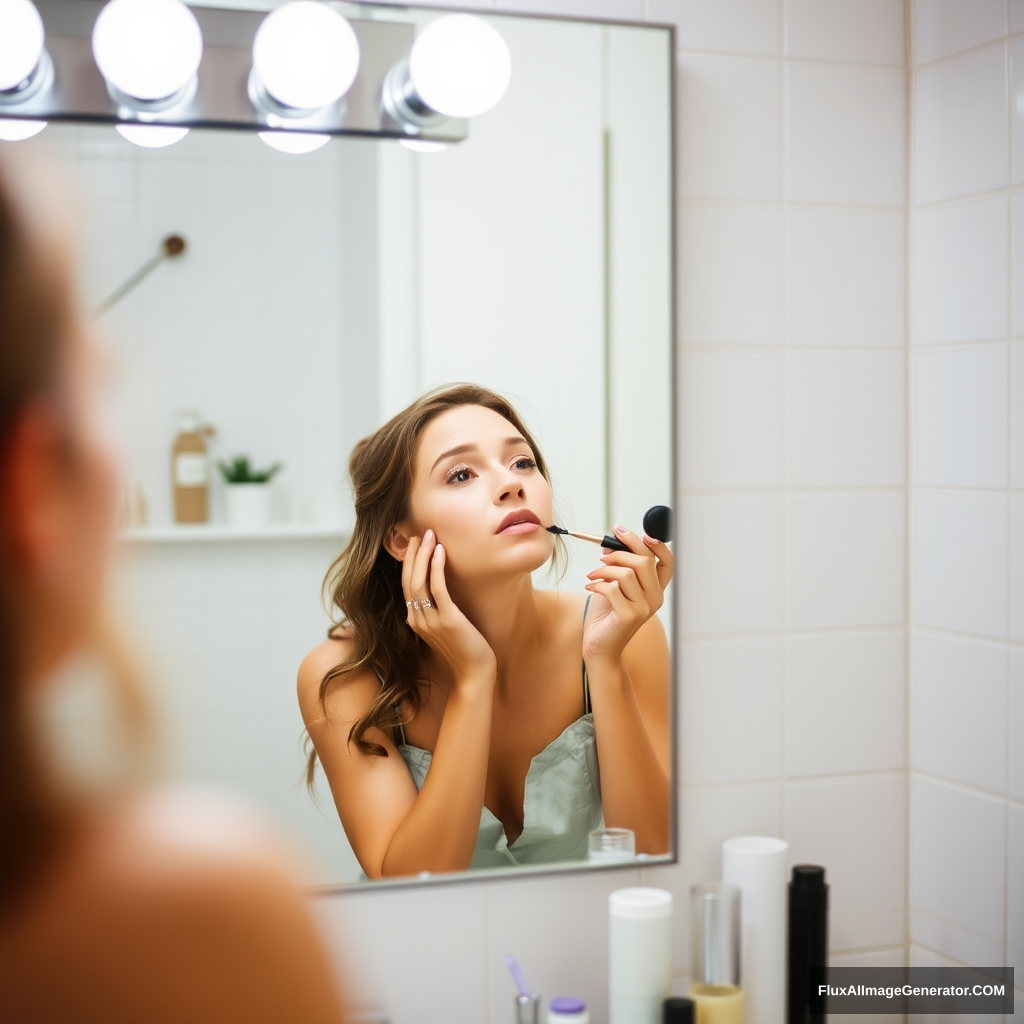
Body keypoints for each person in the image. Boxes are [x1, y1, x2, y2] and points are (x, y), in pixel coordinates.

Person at [0, 152, 346, 1023]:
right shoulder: (191, 916)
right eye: (101, 389)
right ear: (37, 482)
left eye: (524, 459)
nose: (510, 486)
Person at [299, 384, 673, 879]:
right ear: (401, 538)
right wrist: (475, 679)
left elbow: (654, 856)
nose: (511, 484)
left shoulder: (625, 636)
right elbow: (408, 884)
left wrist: (605, 664)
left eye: (522, 463)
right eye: (461, 474)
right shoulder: (346, 675)